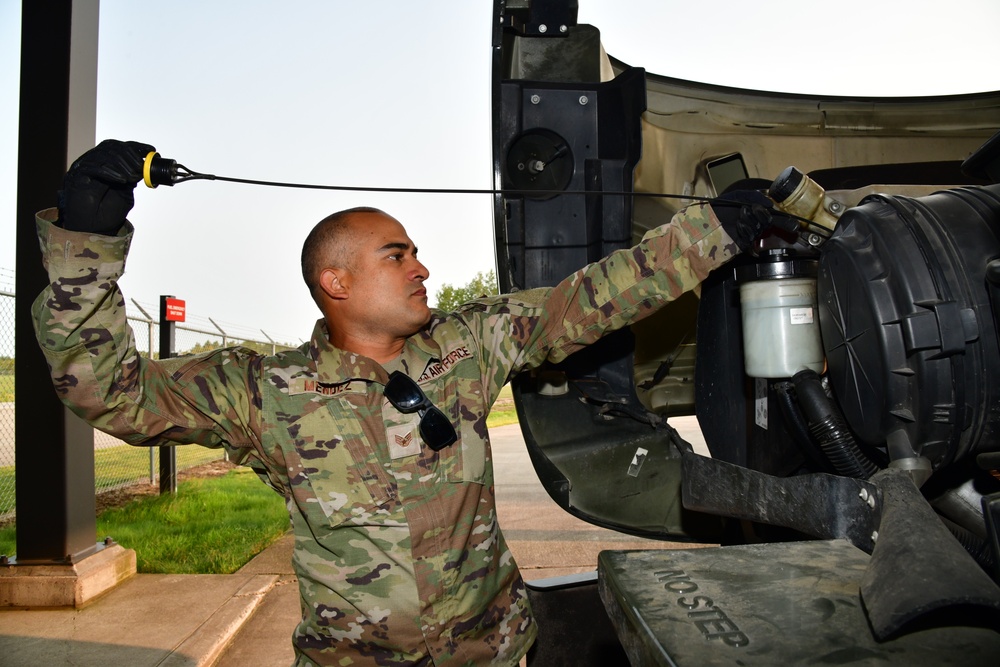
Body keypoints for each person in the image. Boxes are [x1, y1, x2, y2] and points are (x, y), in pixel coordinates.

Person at [32, 140, 787, 666]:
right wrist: (82, 247)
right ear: (337, 283)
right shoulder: (266, 390)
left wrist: (711, 230)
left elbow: (587, 300)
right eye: (397, 254)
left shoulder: (472, 344)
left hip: (497, 653)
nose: (422, 266)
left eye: (416, 251)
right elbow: (111, 390)